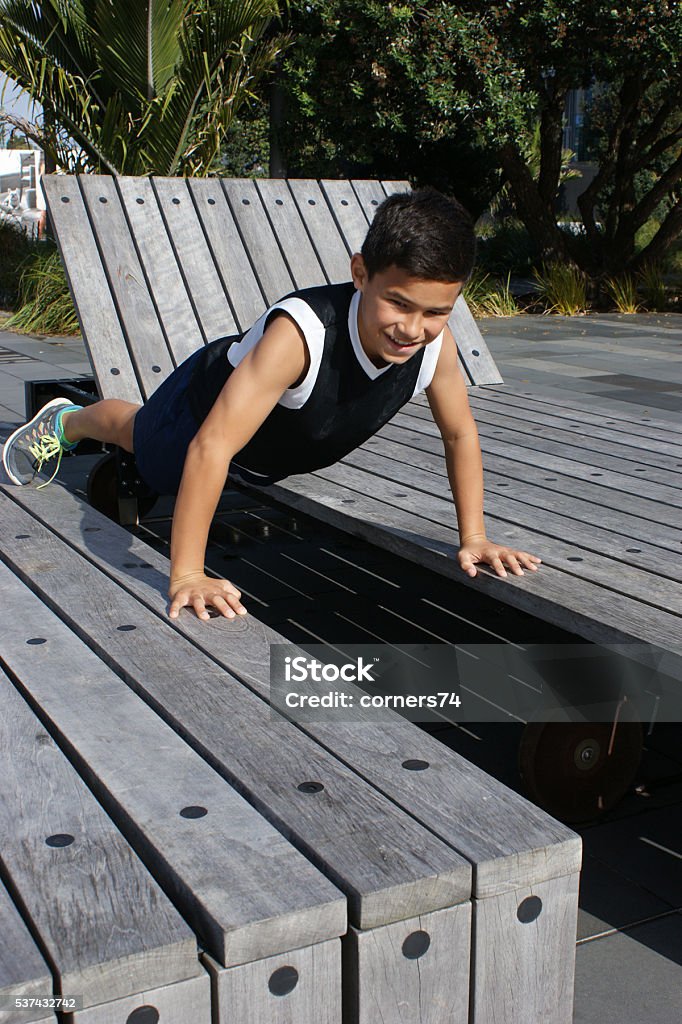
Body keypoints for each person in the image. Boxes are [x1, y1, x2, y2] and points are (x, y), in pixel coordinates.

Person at [2, 189, 540, 621]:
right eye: (398, 303)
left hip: (259, 452)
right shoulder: (300, 337)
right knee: (142, 441)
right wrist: (188, 572)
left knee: (197, 465)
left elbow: (459, 434)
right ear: (360, 274)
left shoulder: (433, 348)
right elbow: (211, 445)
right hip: (202, 412)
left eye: (435, 312)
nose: (412, 328)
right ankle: (69, 420)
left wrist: (474, 537)